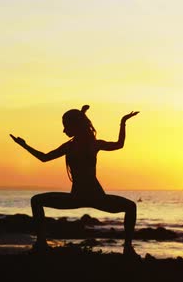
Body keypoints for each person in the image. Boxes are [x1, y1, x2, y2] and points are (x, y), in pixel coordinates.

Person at [10, 105, 140, 256]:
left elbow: (44, 158)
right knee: (130, 207)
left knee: (36, 201)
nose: (64, 130)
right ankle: (128, 248)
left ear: (75, 126)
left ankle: (41, 243)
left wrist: (24, 146)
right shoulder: (89, 144)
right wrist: (24, 145)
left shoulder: (75, 146)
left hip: (83, 197)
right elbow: (119, 144)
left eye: (66, 126)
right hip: (92, 197)